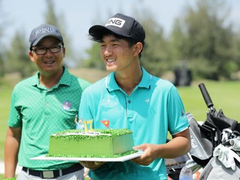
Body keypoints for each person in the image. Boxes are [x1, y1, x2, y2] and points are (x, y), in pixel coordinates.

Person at [78, 13, 191, 180]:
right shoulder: (91, 94)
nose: (107, 52)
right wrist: (89, 160)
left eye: (114, 44)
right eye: (103, 45)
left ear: (137, 48)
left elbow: (184, 142)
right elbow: (83, 146)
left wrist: (157, 151)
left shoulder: (165, 91)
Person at [4, 24, 90, 180]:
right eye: (41, 49)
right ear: (31, 55)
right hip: (28, 176)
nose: (48, 54)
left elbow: (96, 133)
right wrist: (9, 178)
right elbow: (13, 135)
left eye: (54, 48)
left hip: (71, 175)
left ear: (63, 51)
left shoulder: (84, 89)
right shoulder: (21, 90)